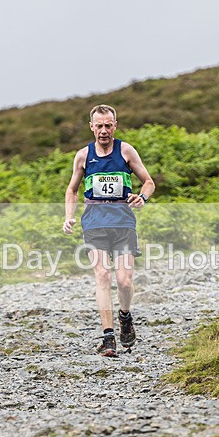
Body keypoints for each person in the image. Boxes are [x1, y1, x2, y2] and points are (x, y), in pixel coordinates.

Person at [63, 104, 155, 357]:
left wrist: (143, 198)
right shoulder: (83, 156)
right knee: (103, 275)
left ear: (115, 125)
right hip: (94, 222)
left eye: (108, 125)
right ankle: (108, 337)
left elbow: (148, 182)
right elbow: (71, 189)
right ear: (91, 127)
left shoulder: (126, 151)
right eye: (99, 126)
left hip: (123, 222)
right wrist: (69, 217)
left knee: (124, 281)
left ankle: (125, 316)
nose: (104, 131)